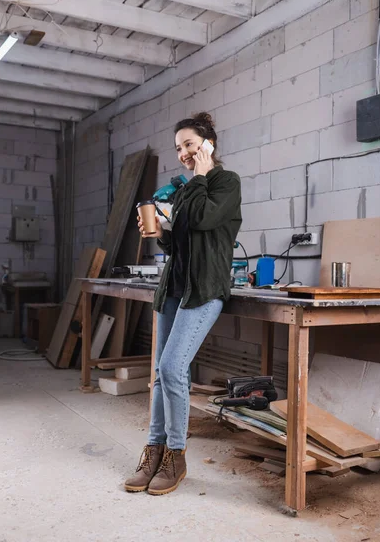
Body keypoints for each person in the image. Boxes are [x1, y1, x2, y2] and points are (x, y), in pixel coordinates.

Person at [124, 112, 242, 496]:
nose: (184, 153)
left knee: (174, 368)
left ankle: (176, 454)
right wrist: (160, 227)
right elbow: (177, 245)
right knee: (160, 372)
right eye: (178, 148)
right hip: (173, 289)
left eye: (189, 144)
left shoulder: (224, 182)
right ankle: (153, 449)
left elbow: (207, 218)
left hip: (205, 290)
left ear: (208, 144)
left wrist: (200, 178)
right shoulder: (185, 189)